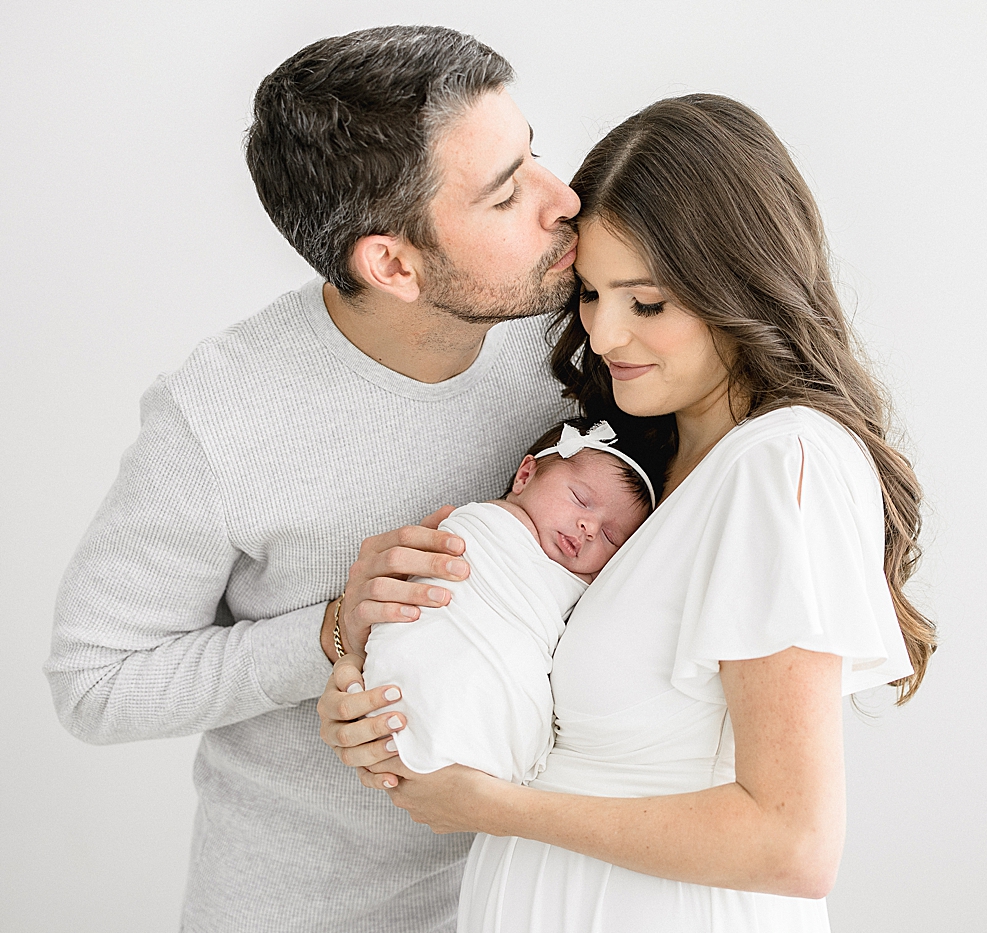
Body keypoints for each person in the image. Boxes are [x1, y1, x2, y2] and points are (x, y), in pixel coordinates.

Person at [319, 94, 938, 932]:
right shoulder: (635, 475)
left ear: (739, 285)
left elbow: (793, 842)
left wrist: (492, 805)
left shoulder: (780, 460)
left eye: (646, 304)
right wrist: (371, 682)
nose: (605, 337)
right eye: (590, 294)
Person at [44, 26, 583, 931]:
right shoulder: (217, 414)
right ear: (393, 264)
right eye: (505, 195)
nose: (563, 198)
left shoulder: (580, 333)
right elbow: (93, 682)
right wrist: (334, 630)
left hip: (543, 892)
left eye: (534, 152)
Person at [362, 417, 657, 784]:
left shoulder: (582, 588)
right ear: (524, 476)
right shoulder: (482, 526)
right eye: (580, 500)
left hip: (503, 694)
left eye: (611, 537)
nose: (590, 528)